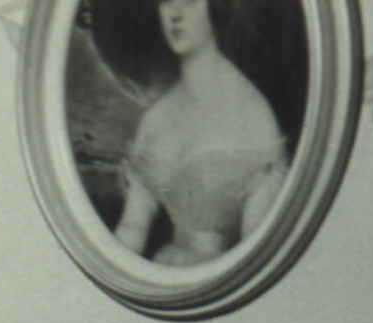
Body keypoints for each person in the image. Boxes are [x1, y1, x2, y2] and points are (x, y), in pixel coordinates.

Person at [100, 0, 291, 265]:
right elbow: (133, 229)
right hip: (162, 277)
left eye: (189, 1)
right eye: (166, 2)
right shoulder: (156, 119)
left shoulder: (254, 116)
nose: (175, 15)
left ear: (216, 7)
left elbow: (257, 258)